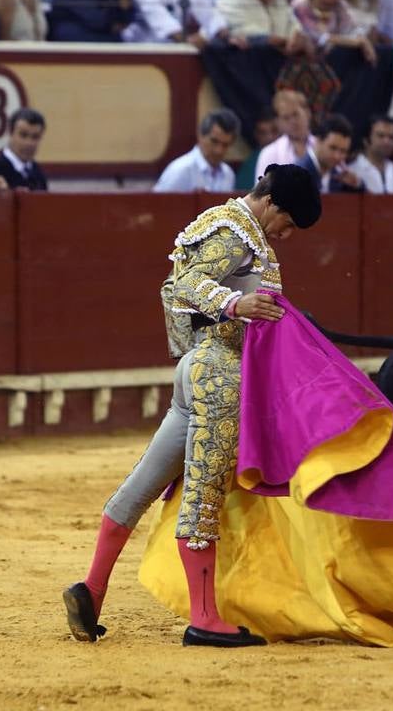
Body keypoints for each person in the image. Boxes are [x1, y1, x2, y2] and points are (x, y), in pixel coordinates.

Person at [63, 164, 322, 648]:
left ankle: (91, 591)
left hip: (199, 369)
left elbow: (177, 287)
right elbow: (183, 285)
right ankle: (205, 617)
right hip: (219, 371)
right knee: (205, 493)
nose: (286, 236)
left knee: (144, 482)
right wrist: (233, 305)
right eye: (287, 224)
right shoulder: (237, 233)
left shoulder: (230, 227)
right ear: (272, 204)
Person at [292, 0, 377, 60]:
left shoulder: (339, 6)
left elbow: (351, 31)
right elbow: (319, 39)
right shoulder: (302, 3)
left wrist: (362, 40)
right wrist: (358, 41)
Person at [153, 109, 239, 192]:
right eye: (214, 141)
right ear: (200, 135)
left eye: (225, 145)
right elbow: (157, 205)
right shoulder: (181, 170)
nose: (219, 151)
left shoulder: (228, 175)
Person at [0, 107, 50, 189]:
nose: (29, 143)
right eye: (23, 135)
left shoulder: (38, 174)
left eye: (35, 137)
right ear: (10, 133)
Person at [255, 89, 314, 178]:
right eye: (286, 118)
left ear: (307, 112)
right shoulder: (269, 153)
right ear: (278, 122)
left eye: (295, 114)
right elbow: (262, 190)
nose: (293, 121)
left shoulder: (323, 147)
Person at [300, 114, 364, 193]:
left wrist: (357, 184)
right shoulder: (298, 174)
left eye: (343, 151)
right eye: (332, 148)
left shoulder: (339, 175)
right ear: (318, 141)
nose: (337, 156)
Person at [349, 114, 393, 194]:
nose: (386, 142)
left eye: (391, 137)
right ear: (366, 140)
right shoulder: (352, 172)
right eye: (381, 136)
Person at [235, 107, 278, 190]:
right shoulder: (250, 165)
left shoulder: (292, 154)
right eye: (263, 133)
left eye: (274, 131)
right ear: (256, 135)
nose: (269, 137)